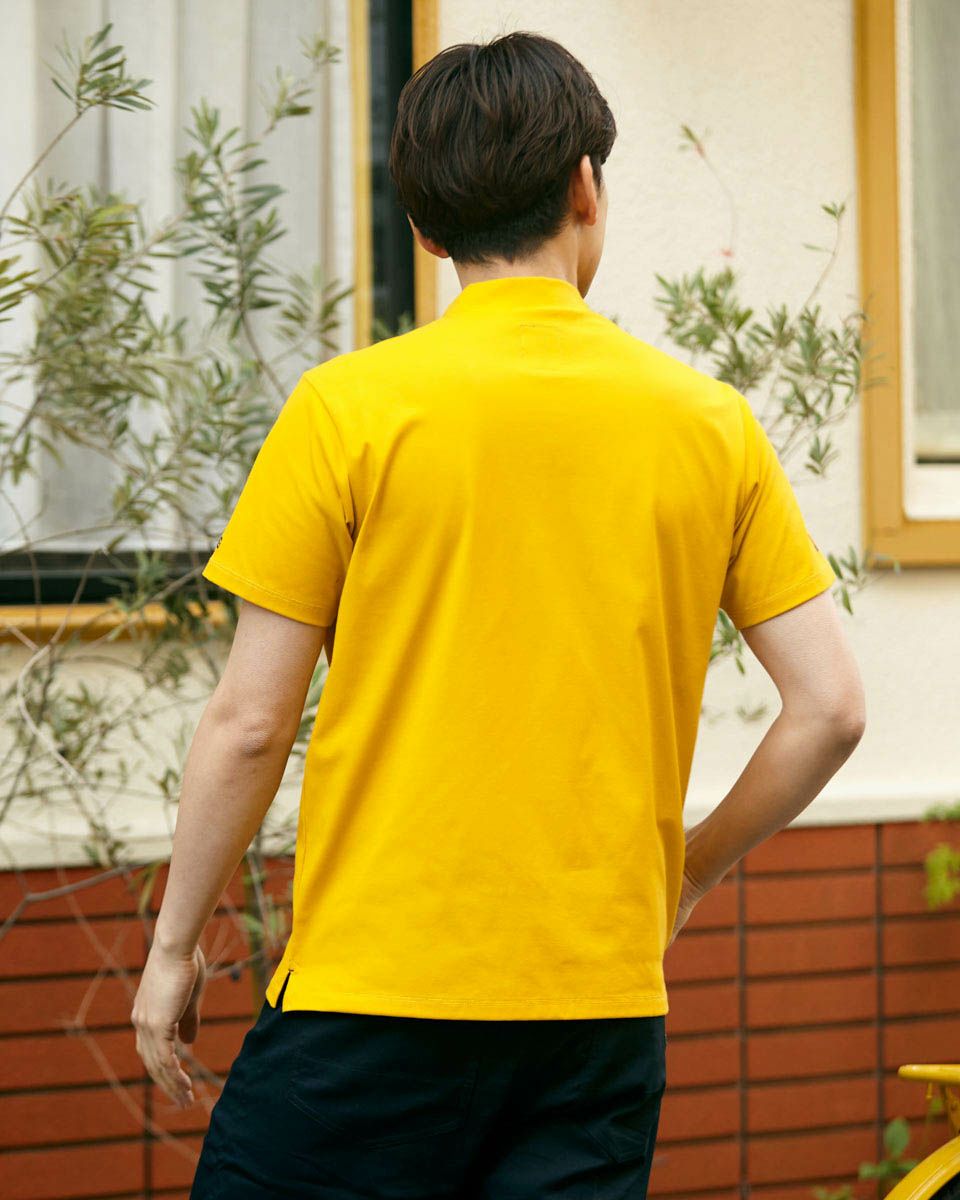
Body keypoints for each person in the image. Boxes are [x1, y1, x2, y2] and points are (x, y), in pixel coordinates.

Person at [131, 29, 866, 1199]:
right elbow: (829, 709)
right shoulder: (710, 426)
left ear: (425, 230)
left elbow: (251, 724)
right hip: (597, 1017)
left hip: (372, 1000)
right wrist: (688, 875)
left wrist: (173, 948)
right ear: (586, 187)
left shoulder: (347, 412)